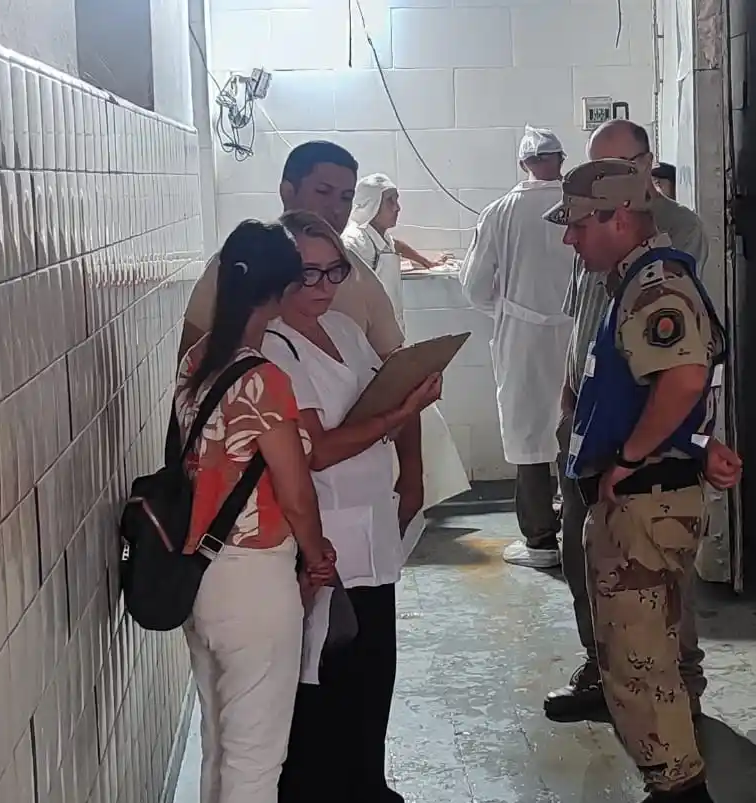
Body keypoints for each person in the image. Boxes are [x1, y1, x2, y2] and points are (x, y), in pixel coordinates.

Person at [546, 159, 732, 803]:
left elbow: (683, 379)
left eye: (577, 226)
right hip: (648, 496)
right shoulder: (632, 282)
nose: (570, 241)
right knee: (647, 658)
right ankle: (670, 795)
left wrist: (627, 459)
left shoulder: (656, 286)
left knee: (639, 664)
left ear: (619, 217)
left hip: (645, 503)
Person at [261, 213, 444, 803]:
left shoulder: (342, 329)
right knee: (319, 686)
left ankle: (362, 800)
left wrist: (410, 460)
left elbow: (386, 392)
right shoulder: (274, 347)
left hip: (371, 528)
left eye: (333, 271)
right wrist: (396, 416)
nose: (322, 286)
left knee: (370, 674)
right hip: (321, 540)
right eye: (306, 273)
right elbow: (319, 449)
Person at [178, 219, 340, 803]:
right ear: (278, 291)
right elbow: (296, 491)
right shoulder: (263, 378)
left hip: (201, 578)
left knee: (223, 748)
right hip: (254, 580)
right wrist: (317, 557)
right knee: (254, 758)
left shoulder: (196, 366)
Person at [180, 141, 427, 539]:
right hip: (261, 511)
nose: (336, 208)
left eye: (346, 197)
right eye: (323, 191)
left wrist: (412, 474)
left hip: (361, 498)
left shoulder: (355, 289)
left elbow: (400, 374)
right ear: (287, 191)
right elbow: (193, 383)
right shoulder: (234, 278)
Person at [460, 126, 576, 570]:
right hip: (579, 331)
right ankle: (581, 534)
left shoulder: (499, 212)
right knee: (577, 427)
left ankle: (540, 541)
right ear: (561, 160)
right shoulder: (583, 205)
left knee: (529, 435)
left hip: (523, 336)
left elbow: (474, 286)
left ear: (523, 163)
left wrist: (507, 308)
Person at [342, 174, 451, 324]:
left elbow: (397, 246)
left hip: (390, 322)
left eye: (396, 200)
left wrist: (427, 262)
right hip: (369, 328)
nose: (397, 208)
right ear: (371, 205)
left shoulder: (380, 235)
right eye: (390, 201)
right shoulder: (353, 242)